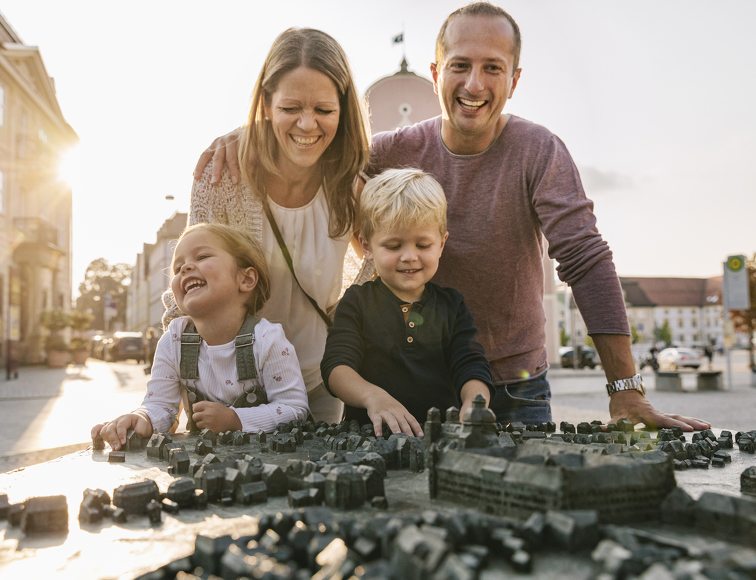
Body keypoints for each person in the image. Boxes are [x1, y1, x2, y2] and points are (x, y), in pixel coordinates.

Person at [194, 4, 709, 432]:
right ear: (437, 73)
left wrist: (626, 389)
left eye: (492, 68)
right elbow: (313, 141)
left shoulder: (538, 151)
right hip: (410, 387)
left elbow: (584, 258)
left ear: (515, 78)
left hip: (514, 383)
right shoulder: (383, 154)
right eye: (460, 65)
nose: (475, 84)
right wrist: (242, 138)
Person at [171, 28, 373, 425]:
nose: (307, 124)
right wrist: (173, 390)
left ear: (343, 110)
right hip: (226, 394)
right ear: (265, 104)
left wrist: (350, 338)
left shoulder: (352, 190)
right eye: (291, 108)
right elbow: (188, 286)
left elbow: (386, 268)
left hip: (318, 389)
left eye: (324, 110)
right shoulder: (222, 177)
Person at [92, 223, 310, 450]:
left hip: (267, 464)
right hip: (199, 466)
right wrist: (142, 418)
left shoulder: (267, 340)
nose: (185, 267)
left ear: (245, 280)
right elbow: (160, 406)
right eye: (177, 268)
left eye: (202, 256)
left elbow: (294, 409)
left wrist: (235, 420)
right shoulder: (173, 341)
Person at [321, 169, 493, 436]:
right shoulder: (356, 301)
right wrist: (372, 397)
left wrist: (475, 404)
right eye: (393, 246)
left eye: (423, 245)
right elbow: (336, 367)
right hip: (368, 441)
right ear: (366, 246)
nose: (409, 256)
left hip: (441, 441)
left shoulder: (452, 305)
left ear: (441, 244)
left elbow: (470, 363)